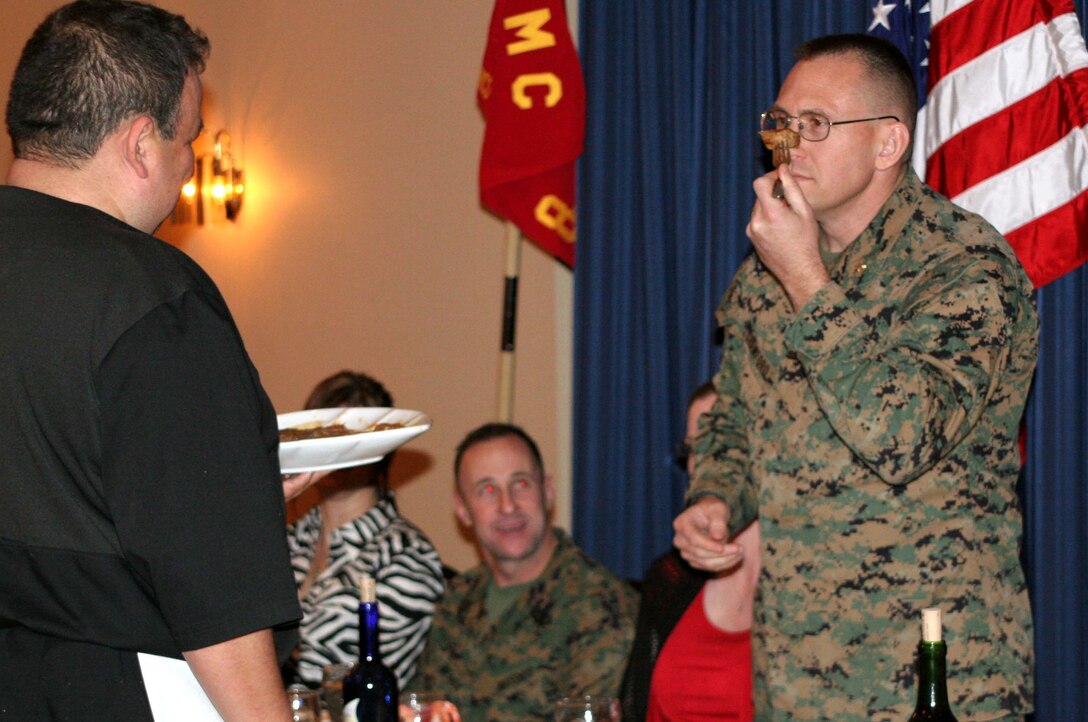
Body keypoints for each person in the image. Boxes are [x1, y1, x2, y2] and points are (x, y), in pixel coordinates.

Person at [673, 34, 1037, 721]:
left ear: (888, 143)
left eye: (815, 125)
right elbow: (735, 422)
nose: (790, 146)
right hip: (795, 673)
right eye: (781, 124)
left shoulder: (963, 267)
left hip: (936, 671)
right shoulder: (764, 280)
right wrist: (716, 499)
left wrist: (807, 281)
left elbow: (902, 437)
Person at [0, 2, 322, 719]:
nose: (188, 170)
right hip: (115, 687)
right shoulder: (150, 297)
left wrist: (235, 491)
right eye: (189, 142)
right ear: (143, 143)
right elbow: (213, 587)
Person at [414, 423, 638, 722]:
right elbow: (423, 708)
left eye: (521, 484)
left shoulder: (599, 605)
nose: (508, 506)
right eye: (488, 490)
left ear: (547, 493)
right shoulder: (456, 602)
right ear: (463, 510)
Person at [286, 370, 445, 688]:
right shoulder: (287, 540)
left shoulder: (408, 555)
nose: (332, 447)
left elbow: (377, 684)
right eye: (322, 434)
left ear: (380, 449)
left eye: (348, 437)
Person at [621, 382, 759, 721]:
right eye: (697, 448)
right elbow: (631, 707)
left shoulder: (811, 583)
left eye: (724, 444)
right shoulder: (669, 577)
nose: (707, 463)